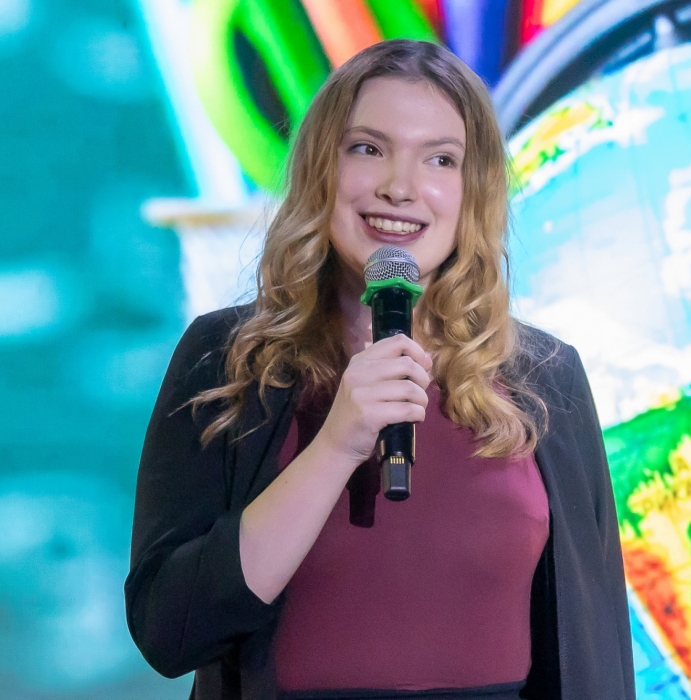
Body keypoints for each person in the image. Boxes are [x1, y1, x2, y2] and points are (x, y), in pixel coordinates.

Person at [125, 40, 635, 700]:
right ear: (320, 169)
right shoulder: (226, 358)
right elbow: (170, 632)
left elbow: (597, 651)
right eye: (368, 148)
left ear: (472, 190)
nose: (400, 186)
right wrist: (337, 444)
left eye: (440, 159)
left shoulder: (547, 377)